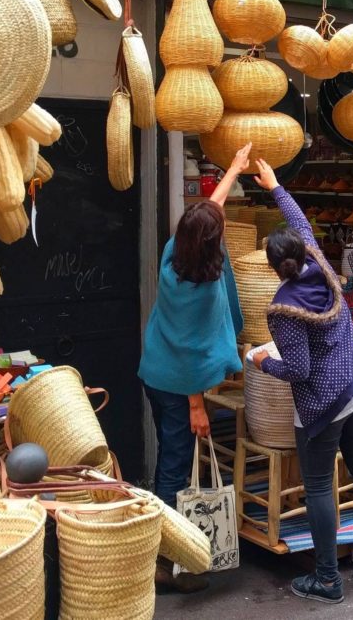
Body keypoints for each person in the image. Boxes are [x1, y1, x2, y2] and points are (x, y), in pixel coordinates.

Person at [250, 158, 353, 605]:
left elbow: (298, 371)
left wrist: (260, 362)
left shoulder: (283, 309)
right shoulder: (319, 265)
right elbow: (299, 223)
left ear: (275, 266)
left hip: (325, 403)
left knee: (318, 486)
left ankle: (328, 579)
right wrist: (276, 186)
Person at [137, 144, 251, 589]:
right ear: (212, 246)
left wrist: (235, 168)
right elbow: (190, 355)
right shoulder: (204, 291)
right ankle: (165, 562)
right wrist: (197, 406)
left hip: (154, 373)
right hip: (179, 385)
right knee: (174, 468)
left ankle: (163, 546)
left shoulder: (172, 259)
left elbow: (210, 212)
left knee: (171, 456)